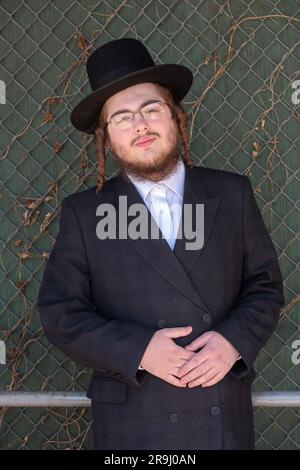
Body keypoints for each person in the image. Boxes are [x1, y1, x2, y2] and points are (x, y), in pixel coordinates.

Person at [37, 38, 285, 450]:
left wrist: (232, 342)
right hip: (133, 422)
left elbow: (265, 286)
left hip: (219, 411)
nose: (141, 125)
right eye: (122, 117)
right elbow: (60, 313)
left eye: (152, 109)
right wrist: (140, 351)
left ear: (175, 116)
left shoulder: (231, 194)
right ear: (107, 138)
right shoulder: (85, 213)